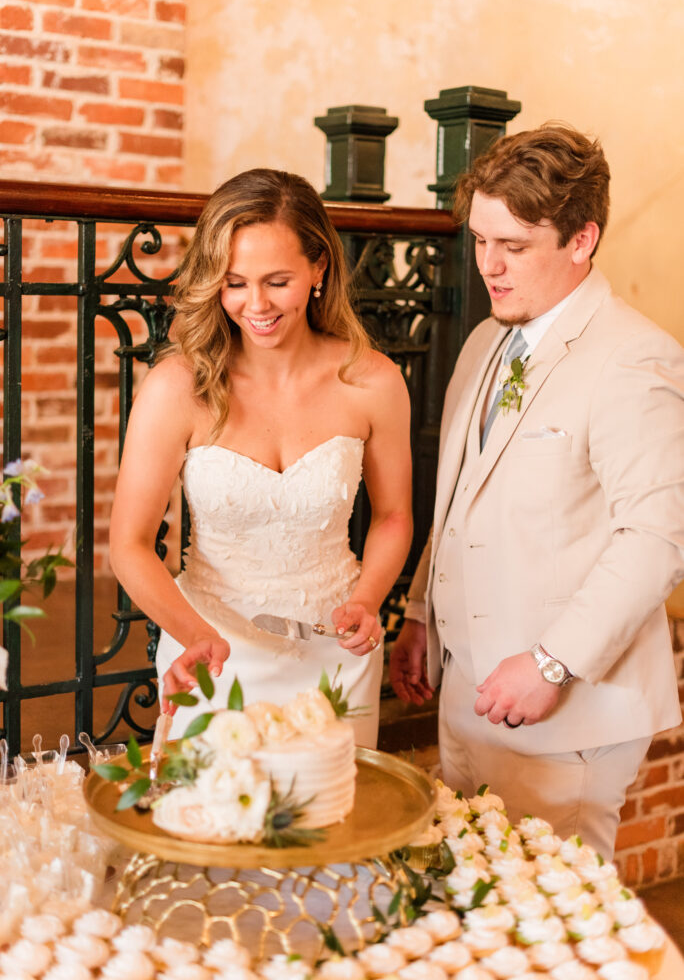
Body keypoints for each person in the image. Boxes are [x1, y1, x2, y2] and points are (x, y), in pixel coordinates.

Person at [389, 124, 684, 858]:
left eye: (513, 247)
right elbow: (460, 495)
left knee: (555, 935)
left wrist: (553, 663)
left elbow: (658, 537)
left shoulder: (635, 359)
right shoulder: (487, 340)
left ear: (581, 240)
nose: (490, 265)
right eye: (481, 241)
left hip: (566, 716)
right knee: (480, 912)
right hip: (468, 698)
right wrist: (423, 612)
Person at [110, 168, 413, 748]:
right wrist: (193, 636)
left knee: (332, 826)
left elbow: (393, 516)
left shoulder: (371, 381)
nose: (256, 305)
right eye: (235, 283)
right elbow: (128, 544)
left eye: (277, 281)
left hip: (335, 654)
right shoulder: (178, 386)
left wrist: (368, 600)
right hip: (211, 653)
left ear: (319, 269)